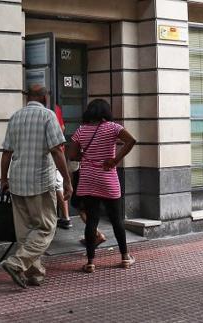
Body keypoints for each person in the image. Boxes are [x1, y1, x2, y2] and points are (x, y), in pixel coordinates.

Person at [0, 85, 72, 288]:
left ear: (27, 97)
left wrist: (3, 179)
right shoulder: (48, 116)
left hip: (17, 182)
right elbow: (57, 151)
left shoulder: (15, 117)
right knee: (46, 228)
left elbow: (6, 153)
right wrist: (67, 180)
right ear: (44, 98)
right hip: (40, 182)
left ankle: (35, 274)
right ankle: (17, 263)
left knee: (26, 233)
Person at [68, 99, 137, 273]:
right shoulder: (113, 127)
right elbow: (131, 141)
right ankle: (125, 258)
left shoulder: (81, 130)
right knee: (116, 220)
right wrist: (115, 160)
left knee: (91, 220)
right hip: (107, 178)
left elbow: (72, 154)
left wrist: (86, 155)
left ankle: (90, 262)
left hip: (88, 179)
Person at [54, 104, 72, 229]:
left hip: (54, 152)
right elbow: (63, 127)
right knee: (58, 183)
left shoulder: (52, 108)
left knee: (58, 184)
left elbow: (61, 128)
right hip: (59, 150)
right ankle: (65, 217)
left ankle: (65, 217)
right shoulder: (56, 108)